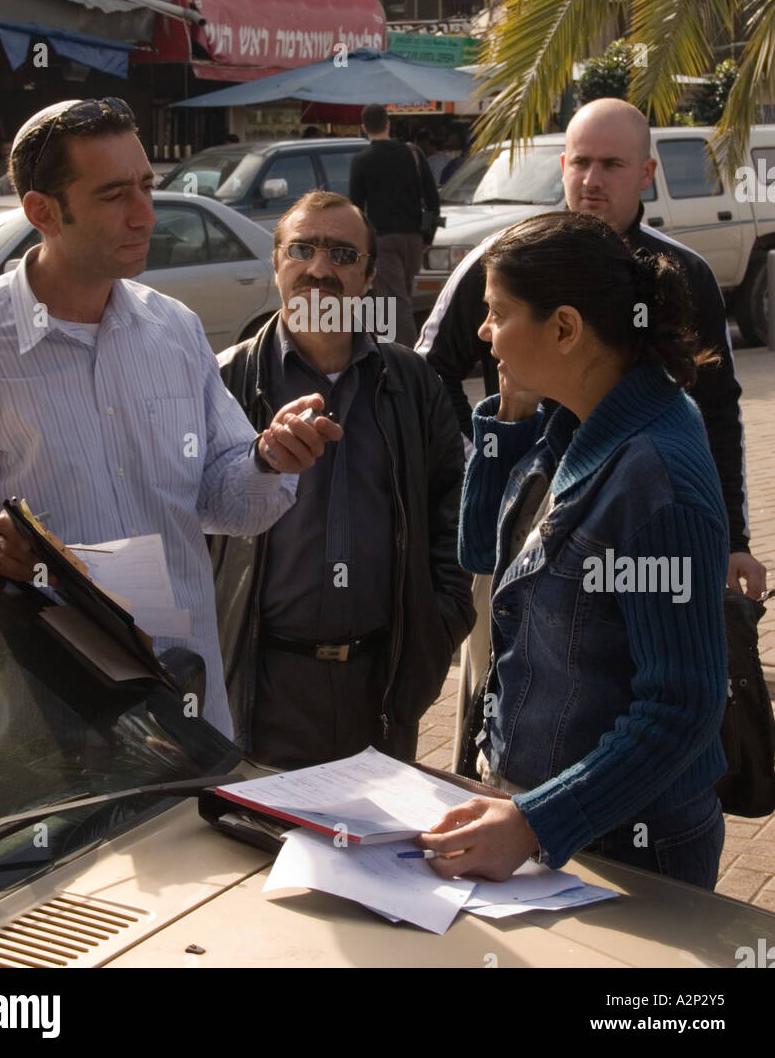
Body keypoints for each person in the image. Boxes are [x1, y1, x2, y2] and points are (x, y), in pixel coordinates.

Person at [0, 96, 342, 739]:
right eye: (114, 195)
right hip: (40, 697)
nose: (146, 215)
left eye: (147, 186)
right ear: (42, 211)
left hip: (180, 689)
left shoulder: (174, 329)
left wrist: (267, 457)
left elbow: (221, 501)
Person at [421, 211, 729, 889]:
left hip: (629, 850)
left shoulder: (655, 478)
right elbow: (480, 551)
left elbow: (681, 708)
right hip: (547, 823)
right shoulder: (575, 418)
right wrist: (509, 417)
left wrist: (535, 821)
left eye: (498, 313)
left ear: (564, 328)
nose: (482, 332)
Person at [417, 99, 766, 598]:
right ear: (563, 166)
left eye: (612, 165)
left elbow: (716, 409)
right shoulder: (504, 261)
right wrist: (493, 455)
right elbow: (428, 372)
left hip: (647, 534)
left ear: (646, 173)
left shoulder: (685, 275)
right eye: (580, 162)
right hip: (517, 536)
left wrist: (734, 536)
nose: (592, 179)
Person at [210, 189, 474, 767]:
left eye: (342, 254)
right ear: (276, 263)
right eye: (301, 249)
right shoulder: (225, 383)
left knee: (377, 854)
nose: (320, 269)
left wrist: (438, 629)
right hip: (259, 688)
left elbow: (454, 510)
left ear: (369, 275)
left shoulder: (411, 382)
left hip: (380, 690)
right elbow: (187, 525)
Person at [349, 103, 439, 347]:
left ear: (363, 127)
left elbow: (355, 207)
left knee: (395, 301)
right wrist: (427, 237)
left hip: (383, 239)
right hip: (413, 239)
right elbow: (432, 198)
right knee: (401, 297)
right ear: (388, 123)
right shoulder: (413, 153)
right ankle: (389, 350)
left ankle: (407, 358)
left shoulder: (361, 160)